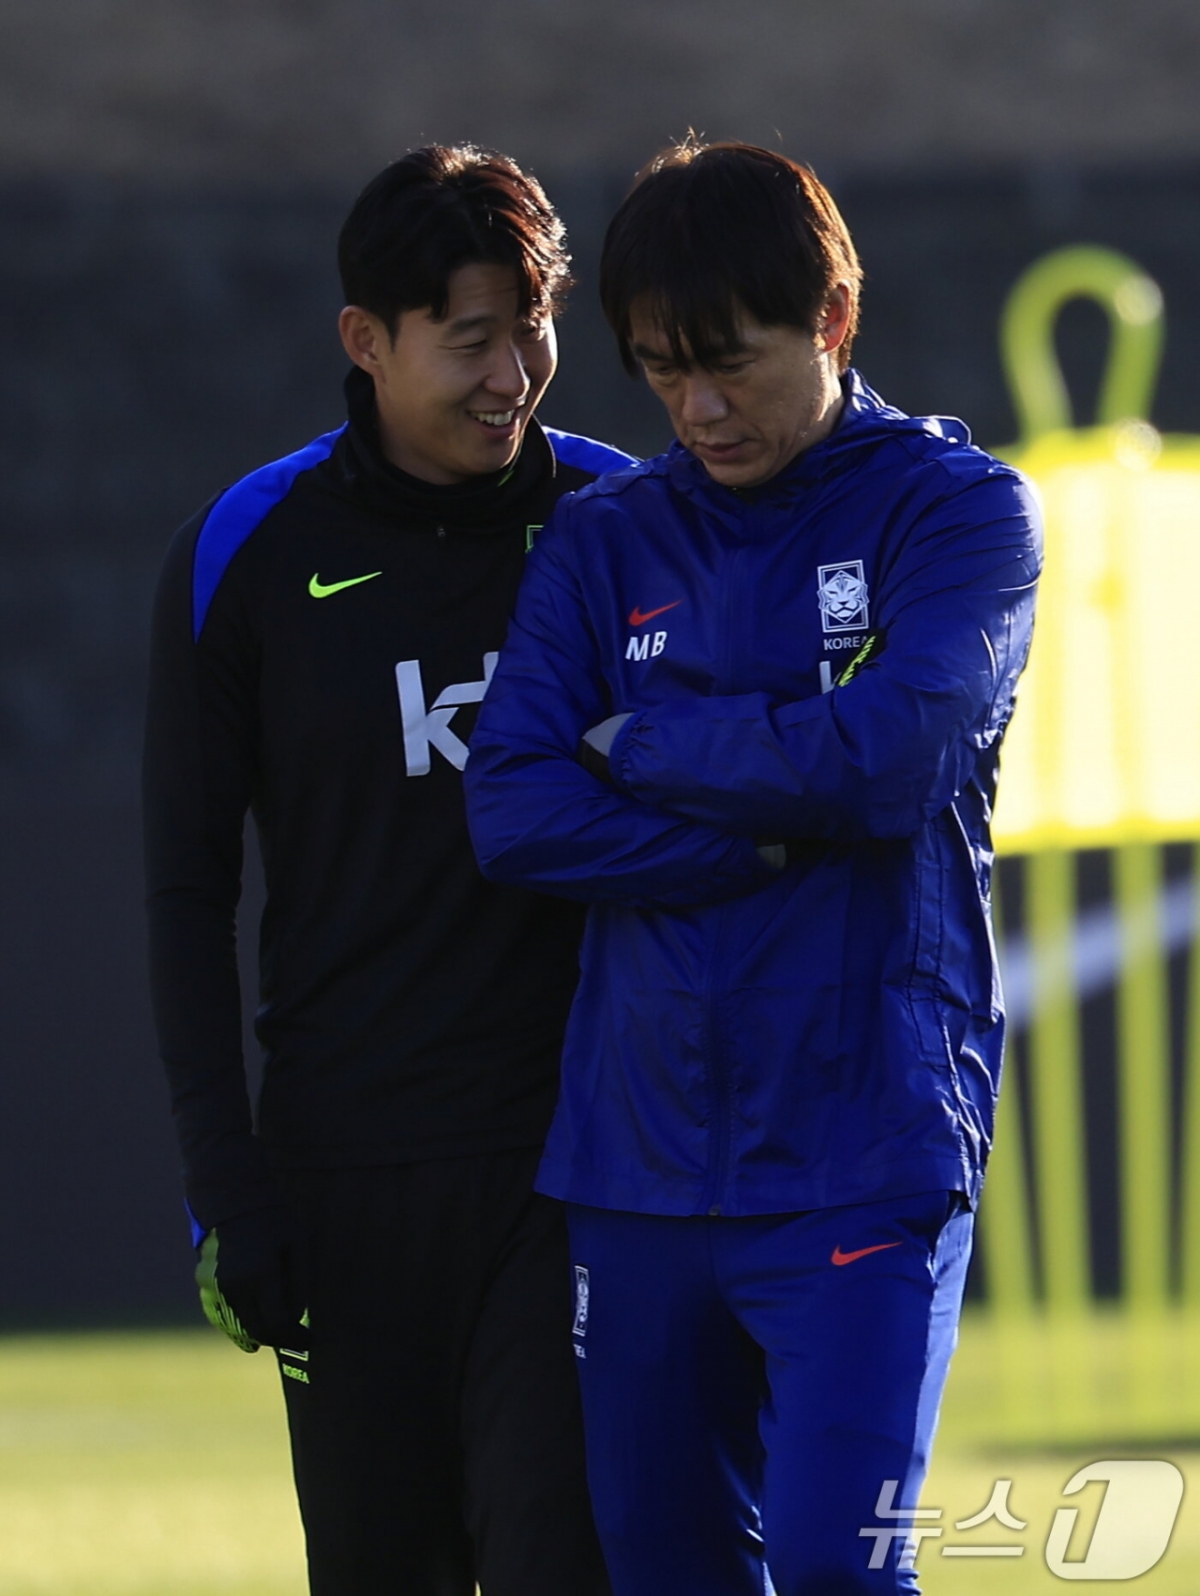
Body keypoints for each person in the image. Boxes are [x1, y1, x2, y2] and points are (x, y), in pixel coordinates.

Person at [464, 139, 1041, 1595]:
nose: (698, 409)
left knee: (843, 1568)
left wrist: (644, 742)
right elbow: (515, 809)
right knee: (667, 1574)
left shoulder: (958, 512)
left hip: (866, 1147)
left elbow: (892, 762)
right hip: (634, 1163)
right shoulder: (603, 539)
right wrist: (772, 828)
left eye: (729, 364)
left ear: (832, 319)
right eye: (663, 373)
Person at [143, 144, 627, 1596]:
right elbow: (185, 892)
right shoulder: (244, 550)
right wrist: (229, 1186)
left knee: (561, 1558)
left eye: (532, 331)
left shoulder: (624, 521)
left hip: (582, 1166)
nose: (512, 377)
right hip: (345, 1182)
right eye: (470, 340)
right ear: (366, 340)